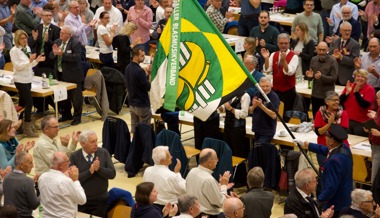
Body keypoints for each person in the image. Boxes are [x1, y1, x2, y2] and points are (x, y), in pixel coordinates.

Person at [294, 124, 353, 215]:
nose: (325, 138)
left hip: (335, 203)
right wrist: (306, 144)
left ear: (332, 141)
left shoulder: (334, 161)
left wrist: (318, 201)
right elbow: (325, 150)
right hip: (345, 198)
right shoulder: (344, 148)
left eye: (327, 136)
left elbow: (331, 187)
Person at [69, 130, 116, 217]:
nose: (96, 144)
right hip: (81, 201)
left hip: (101, 200)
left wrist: (99, 169)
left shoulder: (103, 153)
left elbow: (112, 174)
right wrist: (89, 172)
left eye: (96, 140)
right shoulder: (75, 157)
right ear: (83, 144)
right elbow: (72, 180)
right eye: (92, 142)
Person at [10, 30, 45, 137]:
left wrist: (37, 60)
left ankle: (18, 126)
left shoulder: (27, 48)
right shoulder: (14, 50)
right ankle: (27, 127)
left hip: (28, 79)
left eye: (25, 38)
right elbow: (17, 66)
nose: (25, 40)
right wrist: (29, 61)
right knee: (29, 102)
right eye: (22, 38)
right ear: (17, 39)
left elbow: (30, 64)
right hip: (20, 80)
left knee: (22, 103)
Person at [186, 148, 237, 217]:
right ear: (209, 162)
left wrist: (217, 187)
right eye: (216, 158)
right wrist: (223, 186)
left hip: (192, 213)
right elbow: (221, 203)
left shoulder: (192, 171)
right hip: (208, 215)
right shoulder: (208, 180)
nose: (217, 160)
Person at [50, 25, 84, 125]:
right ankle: (66, 115)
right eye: (60, 32)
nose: (60, 34)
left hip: (74, 75)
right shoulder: (57, 42)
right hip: (60, 74)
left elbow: (77, 57)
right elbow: (51, 56)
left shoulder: (75, 43)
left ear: (69, 35)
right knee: (63, 97)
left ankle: (77, 117)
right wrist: (54, 53)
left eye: (63, 33)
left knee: (76, 98)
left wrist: (62, 54)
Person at [38, 152, 87, 217]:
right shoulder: (65, 181)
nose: (69, 163)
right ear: (61, 165)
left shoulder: (42, 177)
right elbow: (82, 200)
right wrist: (75, 180)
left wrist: (64, 176)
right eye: (68, 161)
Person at [262, 33, 298, 112]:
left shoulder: (294, 56)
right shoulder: (274, 54)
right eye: (281, 43)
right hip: (275, 90)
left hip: (288, 92)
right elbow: (267, 70)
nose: (283, 45)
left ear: (289, 43)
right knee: (274, 112)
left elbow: (289, 72)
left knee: (285, 114)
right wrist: (266, 59)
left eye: (285, 43)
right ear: (278, 44)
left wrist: (284, 61)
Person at [314, 91, 349, 165]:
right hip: (323, 147)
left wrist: (333, 125)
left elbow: (342, 134)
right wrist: (329, 124)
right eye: (334, 100)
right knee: (324, 171)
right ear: (327, 102)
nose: (337, 102)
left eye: (338, 100)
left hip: (339, 149)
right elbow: (318, 132)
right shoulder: (320, 113)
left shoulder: (343, 113)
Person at [305, 42, 338, 117]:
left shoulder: (333, 61)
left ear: (328, 50)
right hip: (315, 95)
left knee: (326, 118)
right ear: (316, 50)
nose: (321, 52)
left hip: (327, 97)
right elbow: (311, 78)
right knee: (316, 117)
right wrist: (309, 77)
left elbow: (334, 79)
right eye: (319, 50)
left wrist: (321, 77)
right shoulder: (313, 59)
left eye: (323, 50)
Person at [3, 151, 40, 218]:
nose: (33, 166)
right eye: (30, 163)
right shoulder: (27, 181)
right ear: (21, 165)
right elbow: (34, 205)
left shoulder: (6, 177)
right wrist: (43, 192)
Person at [340, 69, 376, 136]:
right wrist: (346, 93)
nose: (360, 78)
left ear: (366, 79)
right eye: (358, 76)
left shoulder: (370, 89)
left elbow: (364, 105)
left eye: (362, 77)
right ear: (355, 77)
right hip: (347, 120)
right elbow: (339, 102)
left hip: (361, 122)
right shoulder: (349, 86)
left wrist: (356, 93)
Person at [125, 47, 152, 133]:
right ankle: (143, 146)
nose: (144, 58)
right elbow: (147, 86)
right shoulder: (139, 71)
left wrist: (146, 73)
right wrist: (151, 77)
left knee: (134, 129)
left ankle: (133, 144)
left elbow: (138, 81)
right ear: (135, 56)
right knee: (144, 131)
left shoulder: (128, 68)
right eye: (142, 56)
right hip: (142, 105)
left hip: (132, 104)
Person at [218, 91, 250, 158]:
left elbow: (244, 114)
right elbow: (224, 108)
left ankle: (238, 168)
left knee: (237, 153)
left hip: (238, 129)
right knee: (227, 151)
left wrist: (231, 109)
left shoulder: (245, 96)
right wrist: (220, 107)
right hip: (227, 127)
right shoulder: (229, 93)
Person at [249, 77, 279, 144]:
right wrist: (254, 105)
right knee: (256, 151)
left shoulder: (274, 97)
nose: (265, 88)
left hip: (267, 131)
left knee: (261, 150)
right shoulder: (257, 94)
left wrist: (261, 105)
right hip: (257, 129)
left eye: (267, 86)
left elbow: (274, 115)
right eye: (263, 86)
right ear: (259, 86)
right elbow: (250, 111)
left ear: (271, 85)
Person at [329, 22, 360, 86]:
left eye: (349, 30)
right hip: (334, 77)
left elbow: (353, 62)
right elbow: (330, 56)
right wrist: (332, 57)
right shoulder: (335, 42)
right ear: (340, 31)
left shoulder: (355, 44)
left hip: (346, 78)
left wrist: (341, 57)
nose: (347, 32)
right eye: (345, 30)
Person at [365, 91, 380, 183]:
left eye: (378, 98)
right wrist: (369, 128)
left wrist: (379, 134)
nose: (376, 100)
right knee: (374, 178)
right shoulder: (379, 109)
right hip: (374, 145)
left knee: (374, 179)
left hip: (379, 146)